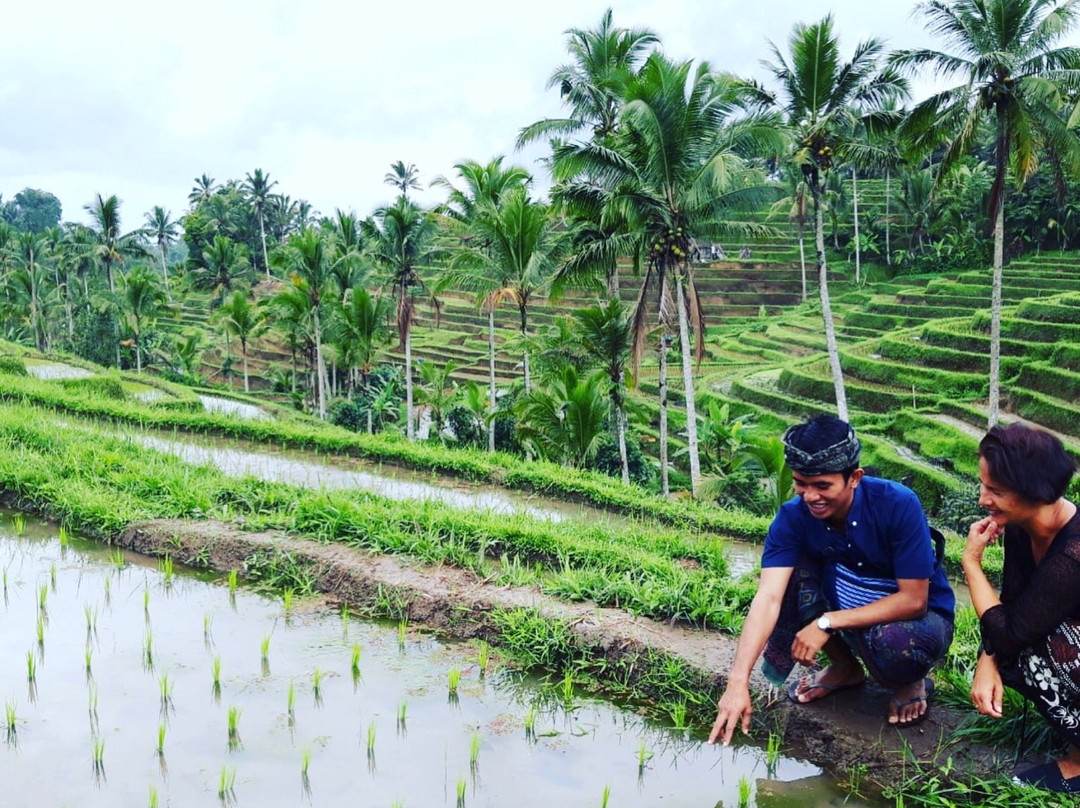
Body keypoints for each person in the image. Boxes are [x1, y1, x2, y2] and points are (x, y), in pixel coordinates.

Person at [709, 415, 956, 746]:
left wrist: (826, 621)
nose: (810, 496)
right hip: (847, 608)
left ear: (854, 478)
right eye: (801, 483)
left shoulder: (898, 504)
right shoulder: (793, 517)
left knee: (897, 644)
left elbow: (914, 601)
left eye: (822, 486)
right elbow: (768, 598)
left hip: (916, 621)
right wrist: (737, 681)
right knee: (790, 576)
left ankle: (911, 682)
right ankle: (845, 668)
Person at [963, 423, 1080, 793]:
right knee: (1020, 645)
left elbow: (1013, 632)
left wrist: (971, 563)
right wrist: (987, 658)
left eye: (996, 491)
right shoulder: (1020, 527)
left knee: (1046, 643)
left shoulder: (1074, 552)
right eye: (984, 486)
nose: (982, 499)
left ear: (1037, 493)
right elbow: (1011, 603)